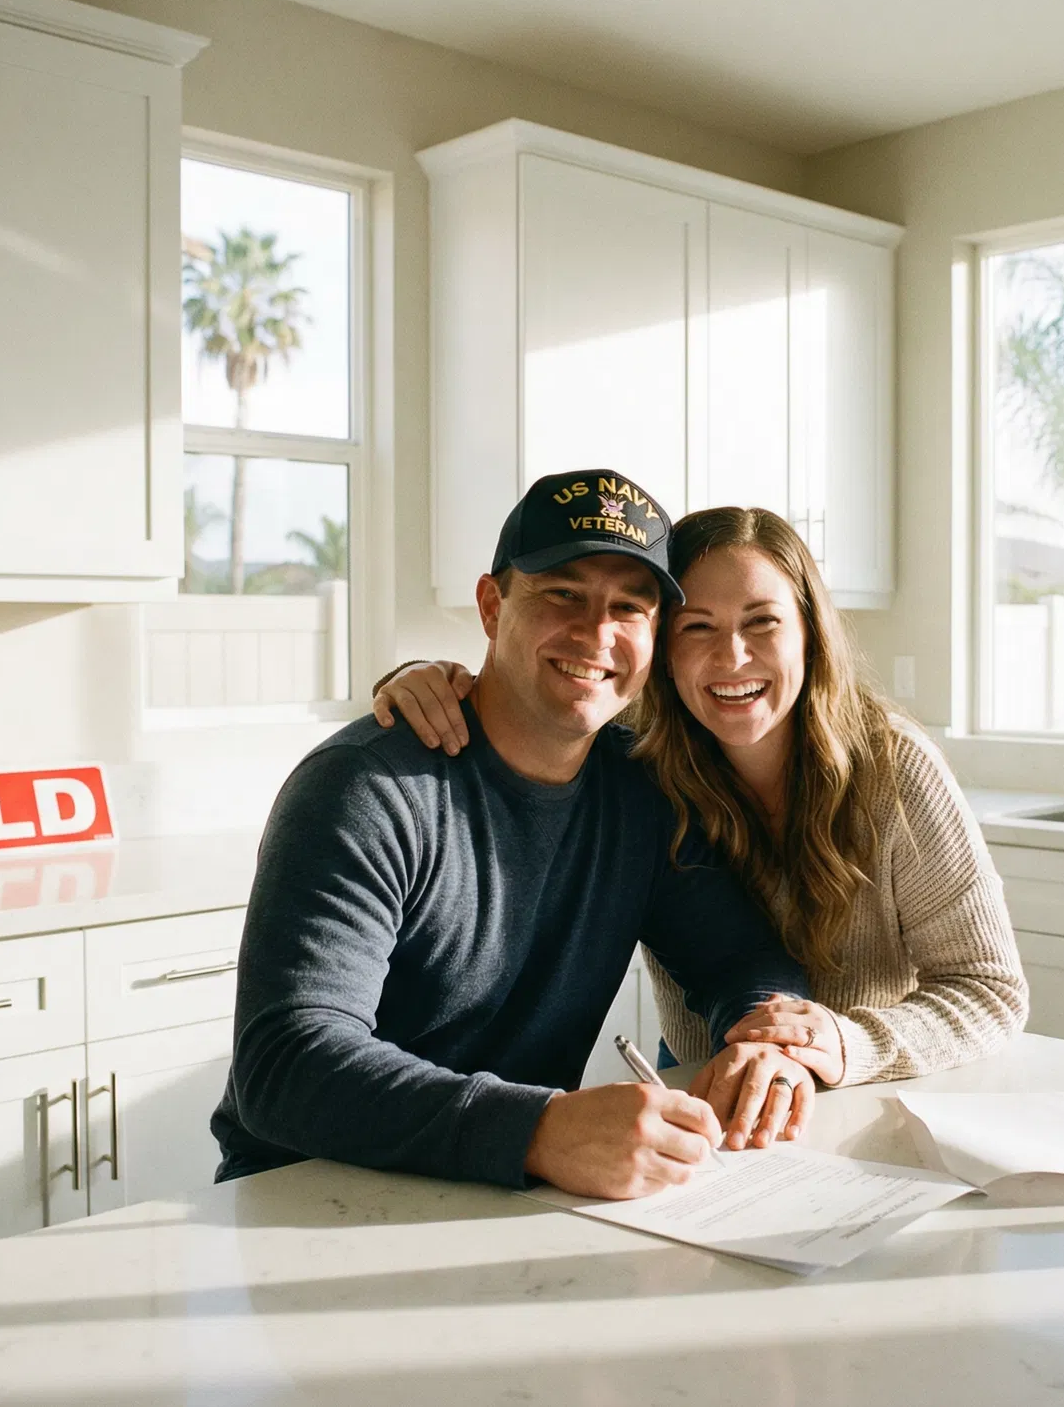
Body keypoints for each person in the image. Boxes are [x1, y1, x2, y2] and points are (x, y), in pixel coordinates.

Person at [211, 472, 815, 1202]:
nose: (597, 634)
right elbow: (286, 1066)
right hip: (308, 1202)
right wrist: (540, 1129)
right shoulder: (363, 789)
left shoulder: (639, 792)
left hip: (501, 1194)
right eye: (563, 594)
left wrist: (767, 1046)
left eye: (630, 607)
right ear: (493, 606)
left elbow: (741, 956)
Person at [373, 506, 1029, 1127]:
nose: (732, 657)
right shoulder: (641, 766)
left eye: (762, 622)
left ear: (810, 631)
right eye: (698, 628)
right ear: (663, 646)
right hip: (703, 1086)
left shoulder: (893, 769)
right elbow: (536, 703)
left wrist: (842, 1040)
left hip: (867, 1100)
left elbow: (990, 990)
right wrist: (421, 680)